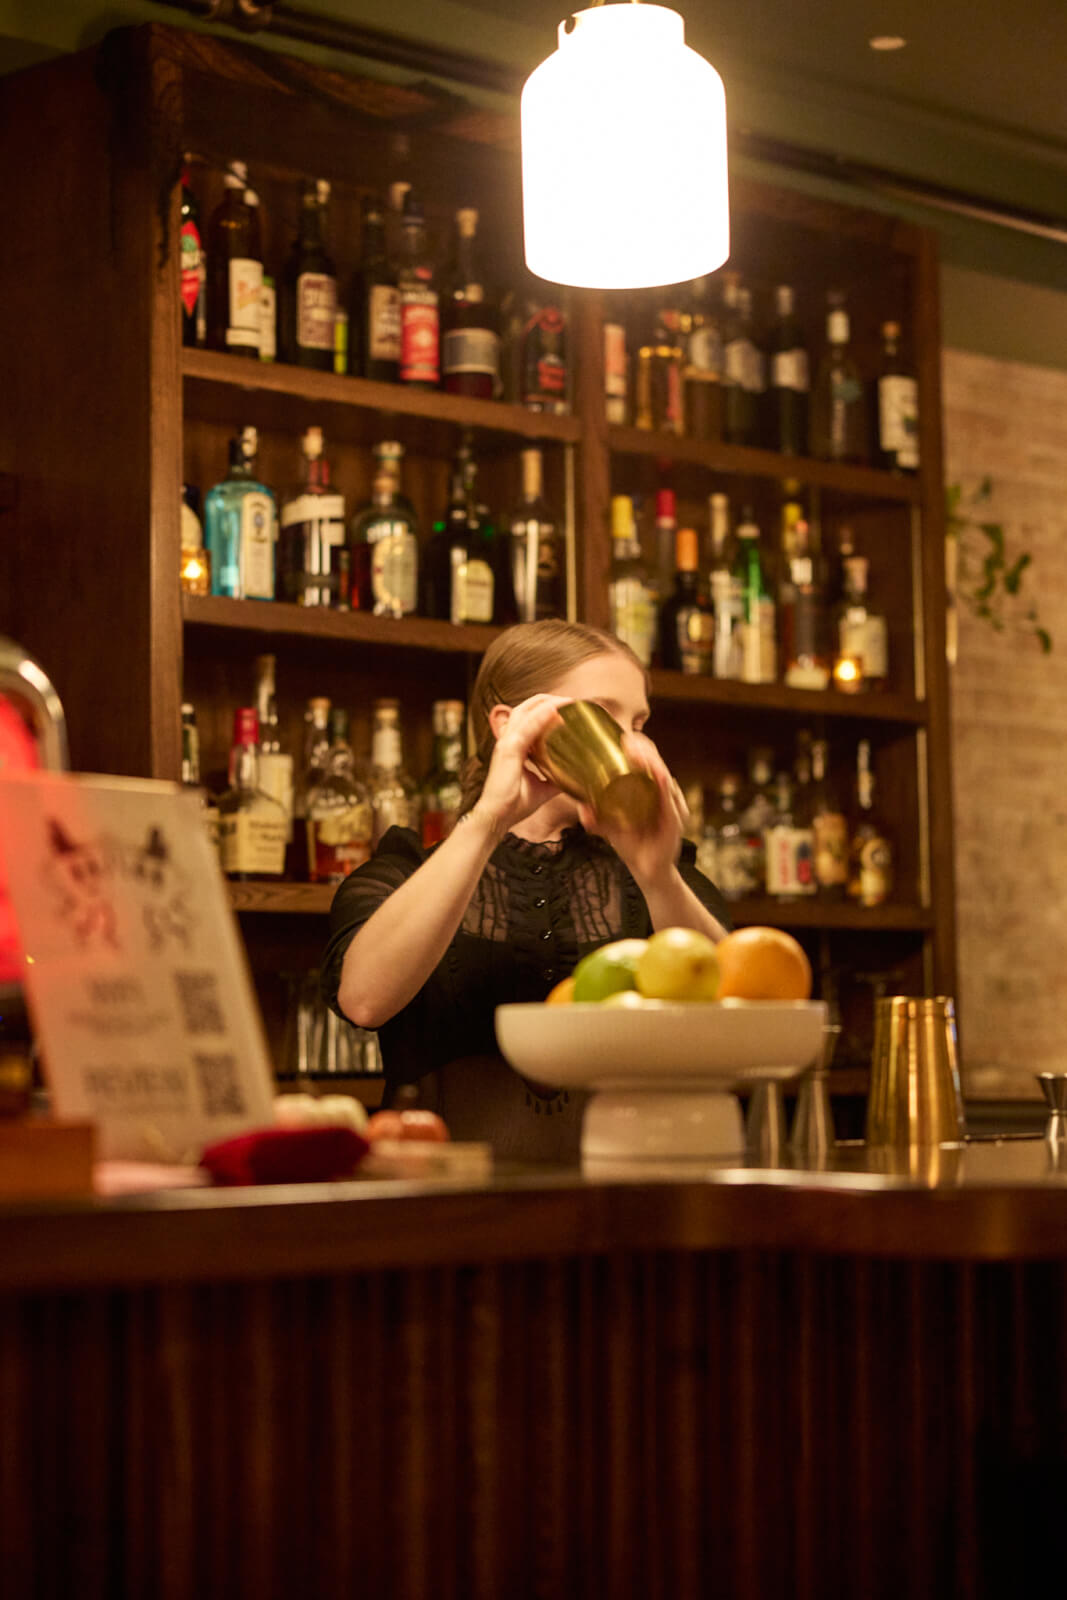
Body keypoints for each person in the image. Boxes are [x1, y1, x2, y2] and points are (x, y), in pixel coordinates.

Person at [321, 619, 730, 1162]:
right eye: (605, 716)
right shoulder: (407, 866)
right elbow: (365, 999)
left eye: (639, 722)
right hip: (442, 1212)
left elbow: (733, 1014)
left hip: (627, 1201)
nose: (632, 743)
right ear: (509, 724)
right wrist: (489, 819)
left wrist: (658, 874)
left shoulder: (660, 875)